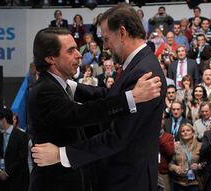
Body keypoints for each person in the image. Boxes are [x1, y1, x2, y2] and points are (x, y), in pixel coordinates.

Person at [30, 4, 165, 191]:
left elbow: (116, 135)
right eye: (70, 51)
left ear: (122, 32)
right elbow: (100, 102)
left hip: (128, 178)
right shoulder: (140, 64)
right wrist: (130, 97)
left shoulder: (143, 72)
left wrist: (62, 154)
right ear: (51, 59)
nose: (105, 45)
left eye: (107, 38)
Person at [0, 108, 29, 191]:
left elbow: (22, 158)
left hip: (16, 181)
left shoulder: (22, 136)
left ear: (3, 119)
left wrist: (7, 173)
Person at [169, 123, 204, 191]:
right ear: (180, 134)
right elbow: (170, 164)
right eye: (183, 131)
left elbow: (206, 163)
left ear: (193, 133)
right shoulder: (176, 146)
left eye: (188, 130)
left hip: (194, 183)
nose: (185, 132)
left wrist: (198, 166)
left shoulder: (200, 146)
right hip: (178, 183)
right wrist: (175, 168)